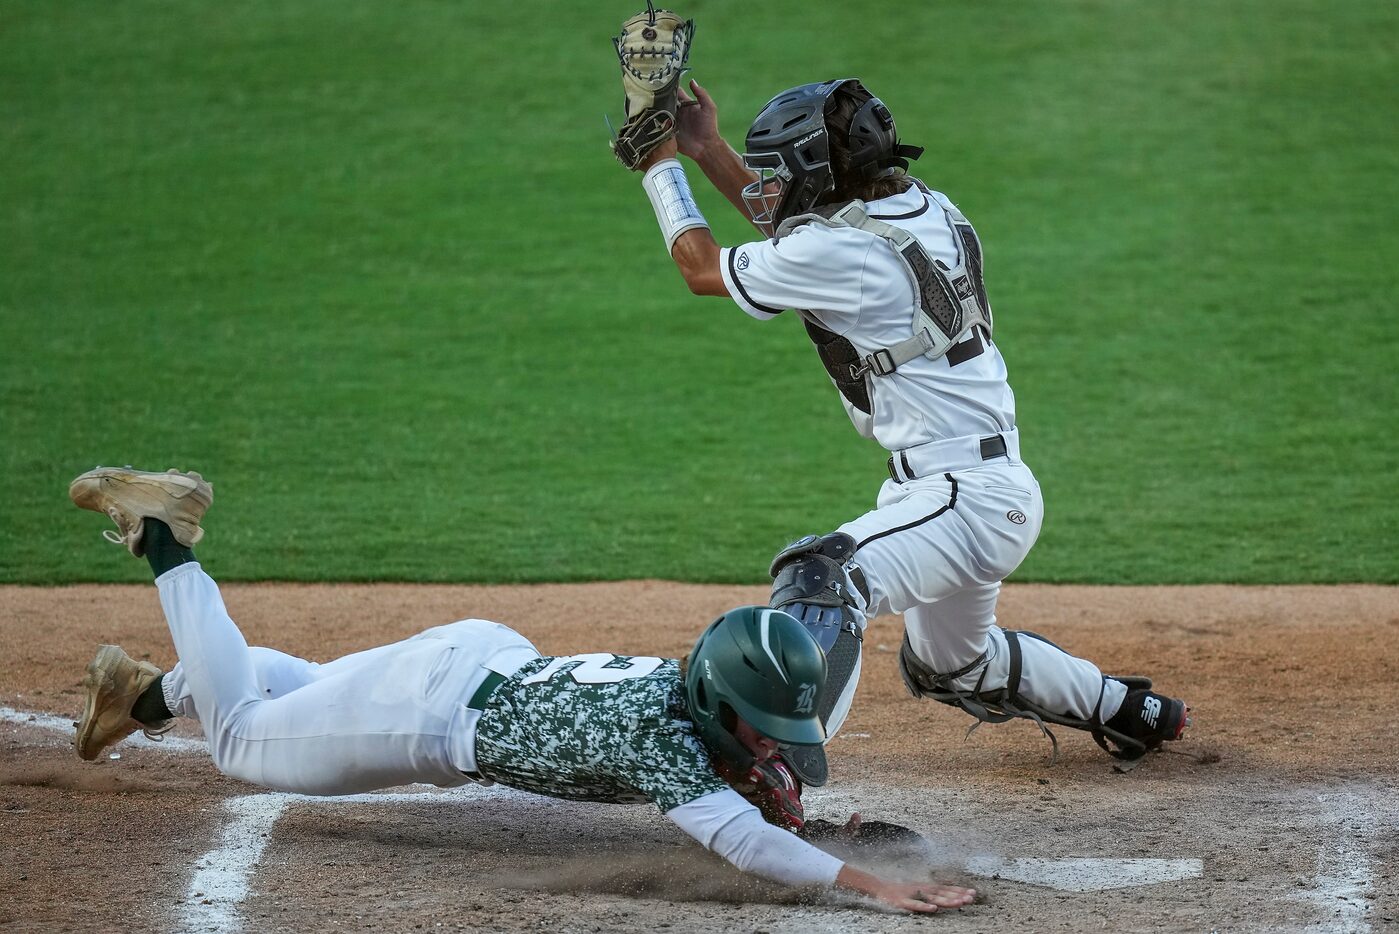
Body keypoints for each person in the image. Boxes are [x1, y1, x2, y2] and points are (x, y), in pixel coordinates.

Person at [66, 466, 975, 915]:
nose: (769, 741)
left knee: (294, 691)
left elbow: (750, 789)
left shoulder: (691, 680)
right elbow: (749, 849)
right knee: (242, 743)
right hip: (424, 715)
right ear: (714, 700)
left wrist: (805, 811)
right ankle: (164, 540)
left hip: (473, 656)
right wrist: (869, 883)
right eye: (758, 724)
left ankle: (141, 699)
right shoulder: (656, 741)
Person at [626, 77, 1188, 786]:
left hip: (963, 500)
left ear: (816, 171)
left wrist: (661, 166)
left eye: (779, 170)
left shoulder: (842, 254)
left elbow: (703, 268)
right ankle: (1133, 712)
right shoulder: (921, 209)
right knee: (955, 663)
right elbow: (796, 234)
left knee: (823, 577)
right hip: (970, 492)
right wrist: (707, 147)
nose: (769, 185)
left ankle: (775, 774)